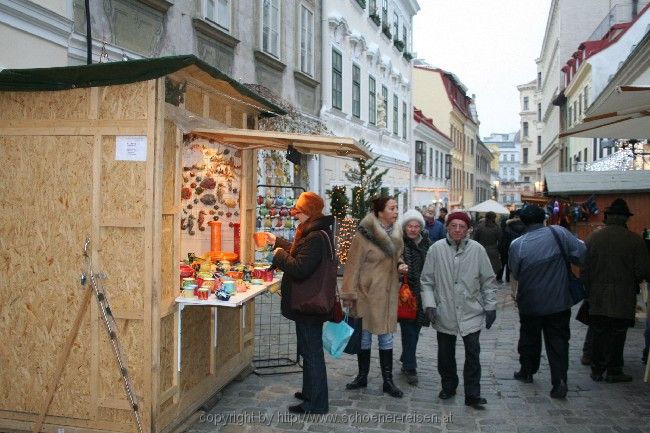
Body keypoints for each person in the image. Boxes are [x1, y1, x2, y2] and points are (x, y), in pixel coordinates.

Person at [263, 191, 334, 414]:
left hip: (309, 304)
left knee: (312, 353)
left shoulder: (315, 236)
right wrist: (278, 241)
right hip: (308, 303)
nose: (295, 212)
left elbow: (300, 267)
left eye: (299, 209)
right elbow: (300, 254)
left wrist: (278, 254)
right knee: (308, 350)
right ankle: (310, 392)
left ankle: (316, 404)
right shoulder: (312, 231)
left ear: (308, 212)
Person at [420, 210, 497, 408]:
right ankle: (448, 385)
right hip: (444, 310)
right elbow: (427, 280)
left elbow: (488, 280)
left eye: (461, 226)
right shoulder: (436, 249)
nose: (457, 229)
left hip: (471, 310)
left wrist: (490, 306)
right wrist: (429, 304)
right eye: (453, 226)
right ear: (447, 227)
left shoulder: (477, 250)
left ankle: (473, 394)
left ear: (468, 229)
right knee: (445, 354)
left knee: (473, 354)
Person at [508, 205, 586, 399]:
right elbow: (581, 254)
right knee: (558, 341)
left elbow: (515, 272)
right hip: (559, 300)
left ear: (523, 222)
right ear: (543, 218)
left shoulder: (518, 244)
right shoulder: (559, 232)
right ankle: (559, 379)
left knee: (529, 338)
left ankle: (527, 371)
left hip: (530, 302)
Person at [341, 196, 406, 398]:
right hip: (366, 294)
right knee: (365, 336)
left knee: (387, 337)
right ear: (380, 212)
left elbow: (397, 256)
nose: (396, 212)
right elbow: (352, 265)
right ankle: (362, 376)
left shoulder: (397, 232)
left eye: (397, 208)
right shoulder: (363, 235)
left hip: (388, 294)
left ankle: (388, 381)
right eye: (392, 208)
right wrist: (349, 294)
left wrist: (400, 264)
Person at [583, 198, 650, 382]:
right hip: (623, 296)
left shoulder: (593, 238)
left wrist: (589, 289)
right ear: (625, 219)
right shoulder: (635, 241)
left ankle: (597, 370)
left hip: (597, 295)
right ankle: (614, 370)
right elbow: (642, 271)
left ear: (608, 217)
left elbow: (584, 268)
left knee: (599, 332)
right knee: (618, 334)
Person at [397, 209, 432, 385]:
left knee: (416, 329)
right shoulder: (399, 243)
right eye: (409, 226)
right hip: (406, 294)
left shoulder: (428, 243)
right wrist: (399, 267)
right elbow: (394, 261)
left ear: (421, 227)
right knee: (408, 329)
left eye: (416, 226)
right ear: (404, 227)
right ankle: (411, 367)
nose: (412, 229)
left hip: (424, 293)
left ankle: (406, 356)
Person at [472, 211, 502, 277]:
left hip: (480, 250)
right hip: (493, 251)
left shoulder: (480, 226)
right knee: (492, 271)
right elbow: (500, 241)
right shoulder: (497, 228)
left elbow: (475, 239)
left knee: (481, 270)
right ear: (494, 218)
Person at [499, 210, 525, 283]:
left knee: (503, 263)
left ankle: (499, 277)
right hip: (515, 247)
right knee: (510, 264)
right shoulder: (523, 225)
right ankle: (508, 278)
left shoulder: (507, 224)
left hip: (505, 246)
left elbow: (502, 229)